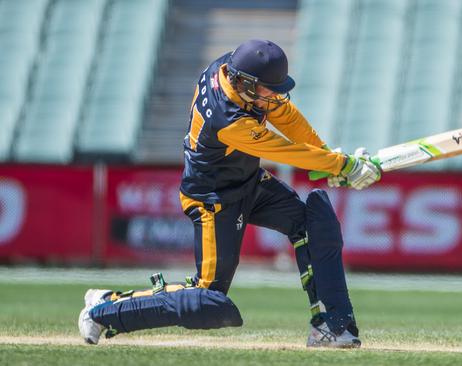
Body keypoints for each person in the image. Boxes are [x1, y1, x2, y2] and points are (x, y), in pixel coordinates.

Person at [78, 39, 381, 347]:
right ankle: (105, 307)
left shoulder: (231, 67)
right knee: (208, 298)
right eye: (268, 90)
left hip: (248, 182)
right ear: (245, 84)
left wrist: (329, 159)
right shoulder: (228, 120)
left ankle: (329, 325)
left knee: (313, 224)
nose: (275, 97)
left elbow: (286, 116)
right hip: (213, 200)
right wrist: (343, 165)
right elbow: (286, 150)